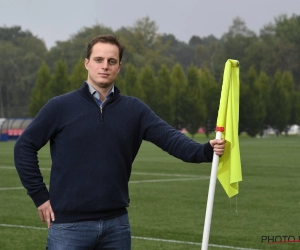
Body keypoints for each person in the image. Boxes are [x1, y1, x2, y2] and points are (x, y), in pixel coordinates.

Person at [14, 35, 225, 250]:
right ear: (86, 63)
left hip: (117, 226)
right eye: (98, 60)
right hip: (69, 227)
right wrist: (40, 197)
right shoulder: (59, 107)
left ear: (119, 66)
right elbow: (24, 147)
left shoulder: (135, 110)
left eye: (111, 61)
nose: (105, 66)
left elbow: (171, 138)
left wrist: (205, 150)